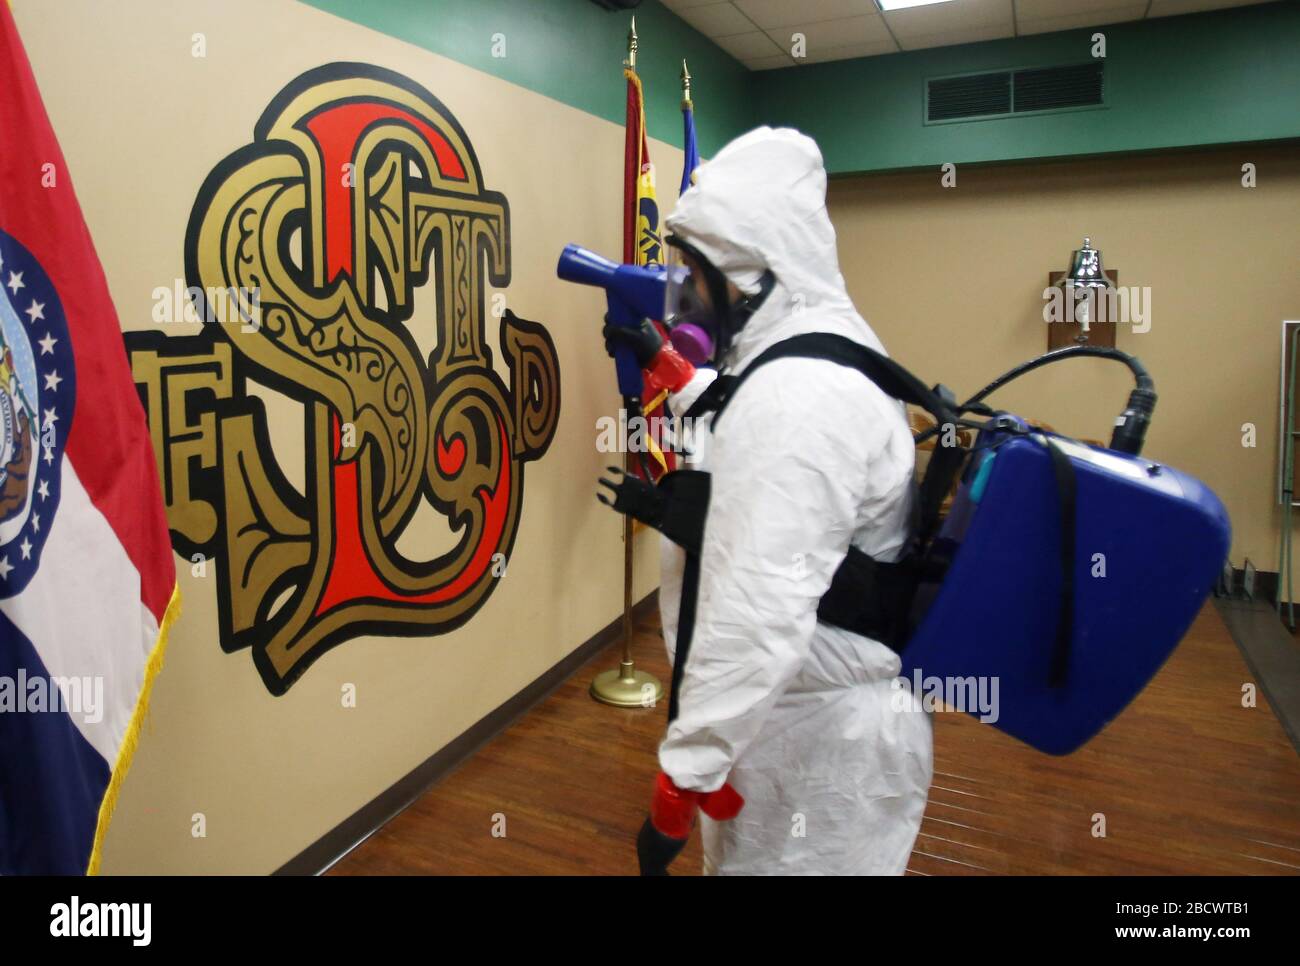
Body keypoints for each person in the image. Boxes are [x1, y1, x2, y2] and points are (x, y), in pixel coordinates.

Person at [603, 127, 933, 875]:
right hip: (794, 724)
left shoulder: (799, 393)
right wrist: (668, 364)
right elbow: (738, 421)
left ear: (747, 270)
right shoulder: (813, 350)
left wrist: (681, 778)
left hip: (812, 750)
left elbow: (757, 610)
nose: (687, 290)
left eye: (696, 270)